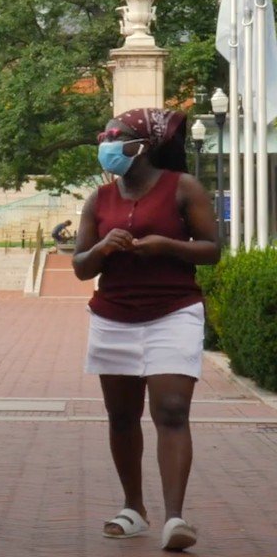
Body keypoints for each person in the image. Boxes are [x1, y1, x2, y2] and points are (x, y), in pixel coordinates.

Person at [72, 108, 219, 552]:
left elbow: (212, 250)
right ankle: (133, 508)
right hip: (113, 314)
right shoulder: (98, 199)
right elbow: (80, 266)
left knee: (171, 410)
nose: (110, 144)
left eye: (119, 137)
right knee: (122, 417)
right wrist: (101, 247)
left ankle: (175, 517)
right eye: (106, 136)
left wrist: (167, 246)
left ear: (143, 147)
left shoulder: (182, 188)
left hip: (173, 312)